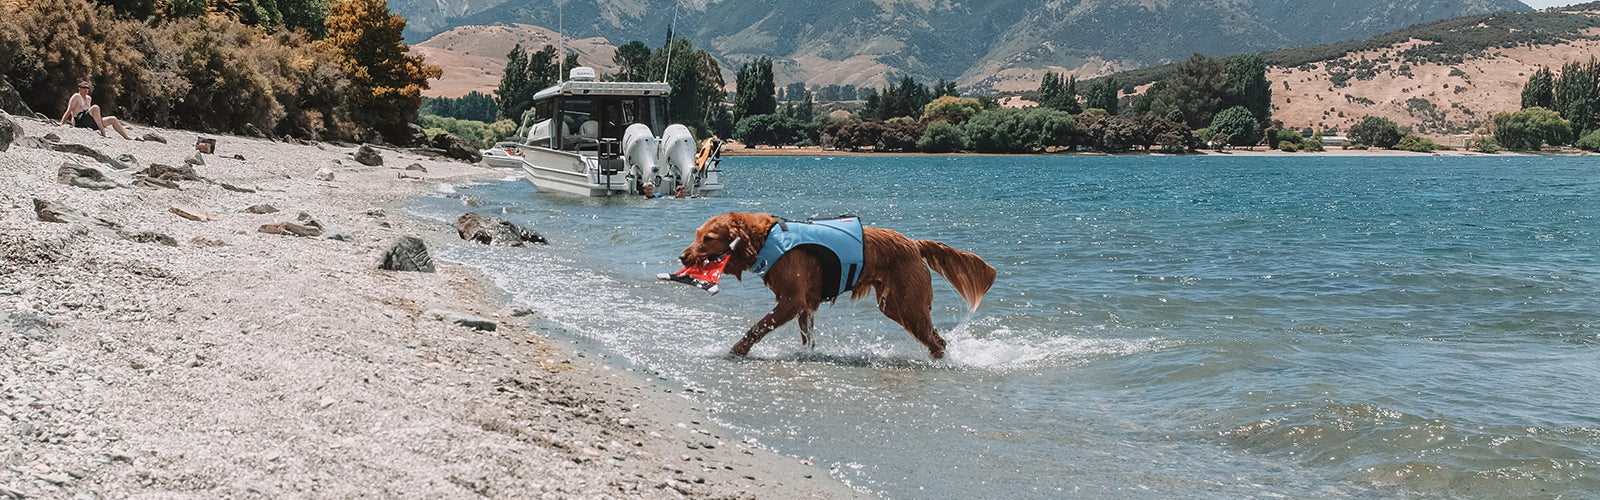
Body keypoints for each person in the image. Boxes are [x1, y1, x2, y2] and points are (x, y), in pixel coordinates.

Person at [59, 81, 132, 140]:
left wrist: (99, 120)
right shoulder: (76, 96)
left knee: (113, 119)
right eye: (83, 88)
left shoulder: (88, 98)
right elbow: (69, 110)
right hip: (79, 120)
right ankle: (102, 131)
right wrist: (62, 123)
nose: (85, 90)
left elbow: (92, 114)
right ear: (79, 89)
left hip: (88, 121)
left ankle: (126, 137)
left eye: (87, 88)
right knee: (96, 107)